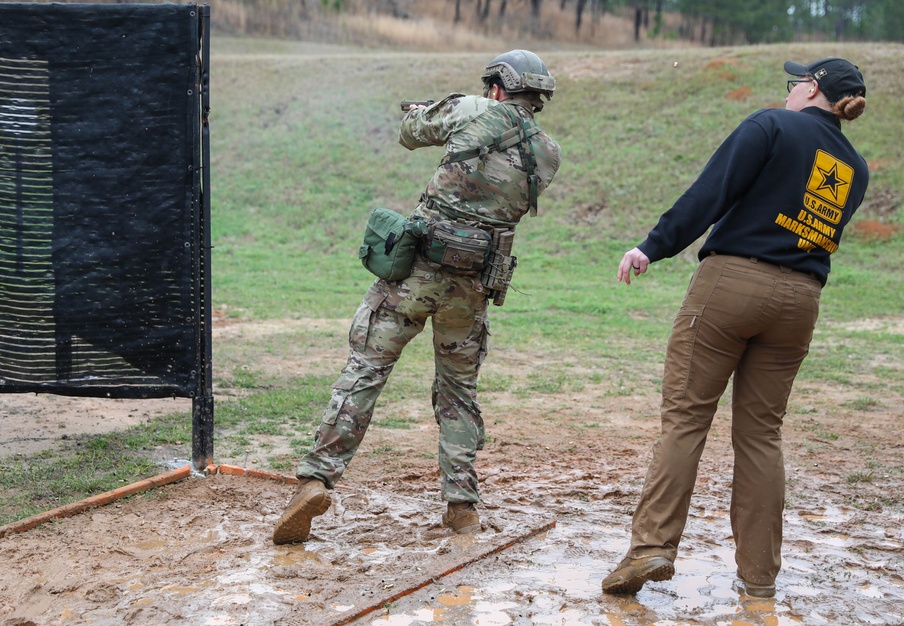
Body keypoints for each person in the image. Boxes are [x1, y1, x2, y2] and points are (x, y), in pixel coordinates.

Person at [602, 57, 868, 597]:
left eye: (796, 82)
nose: (790, 89)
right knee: (761, 437)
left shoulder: (770, 124)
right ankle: (759, 578)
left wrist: (653, 246)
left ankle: (651, 548)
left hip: (732, 284)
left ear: (812, 88)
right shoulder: (856, 168)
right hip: (801, 301)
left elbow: (710, 193)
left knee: (685, 419)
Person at [272, 50, 562, 545]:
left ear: (497, 87)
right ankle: (462, 505)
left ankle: (316, 479)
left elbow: (412, 134)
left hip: (415, 274)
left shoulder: (474, 109)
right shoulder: (548, 153)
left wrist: (425, 111)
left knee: (366, 368)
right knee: (458, 392)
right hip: (474, 285)